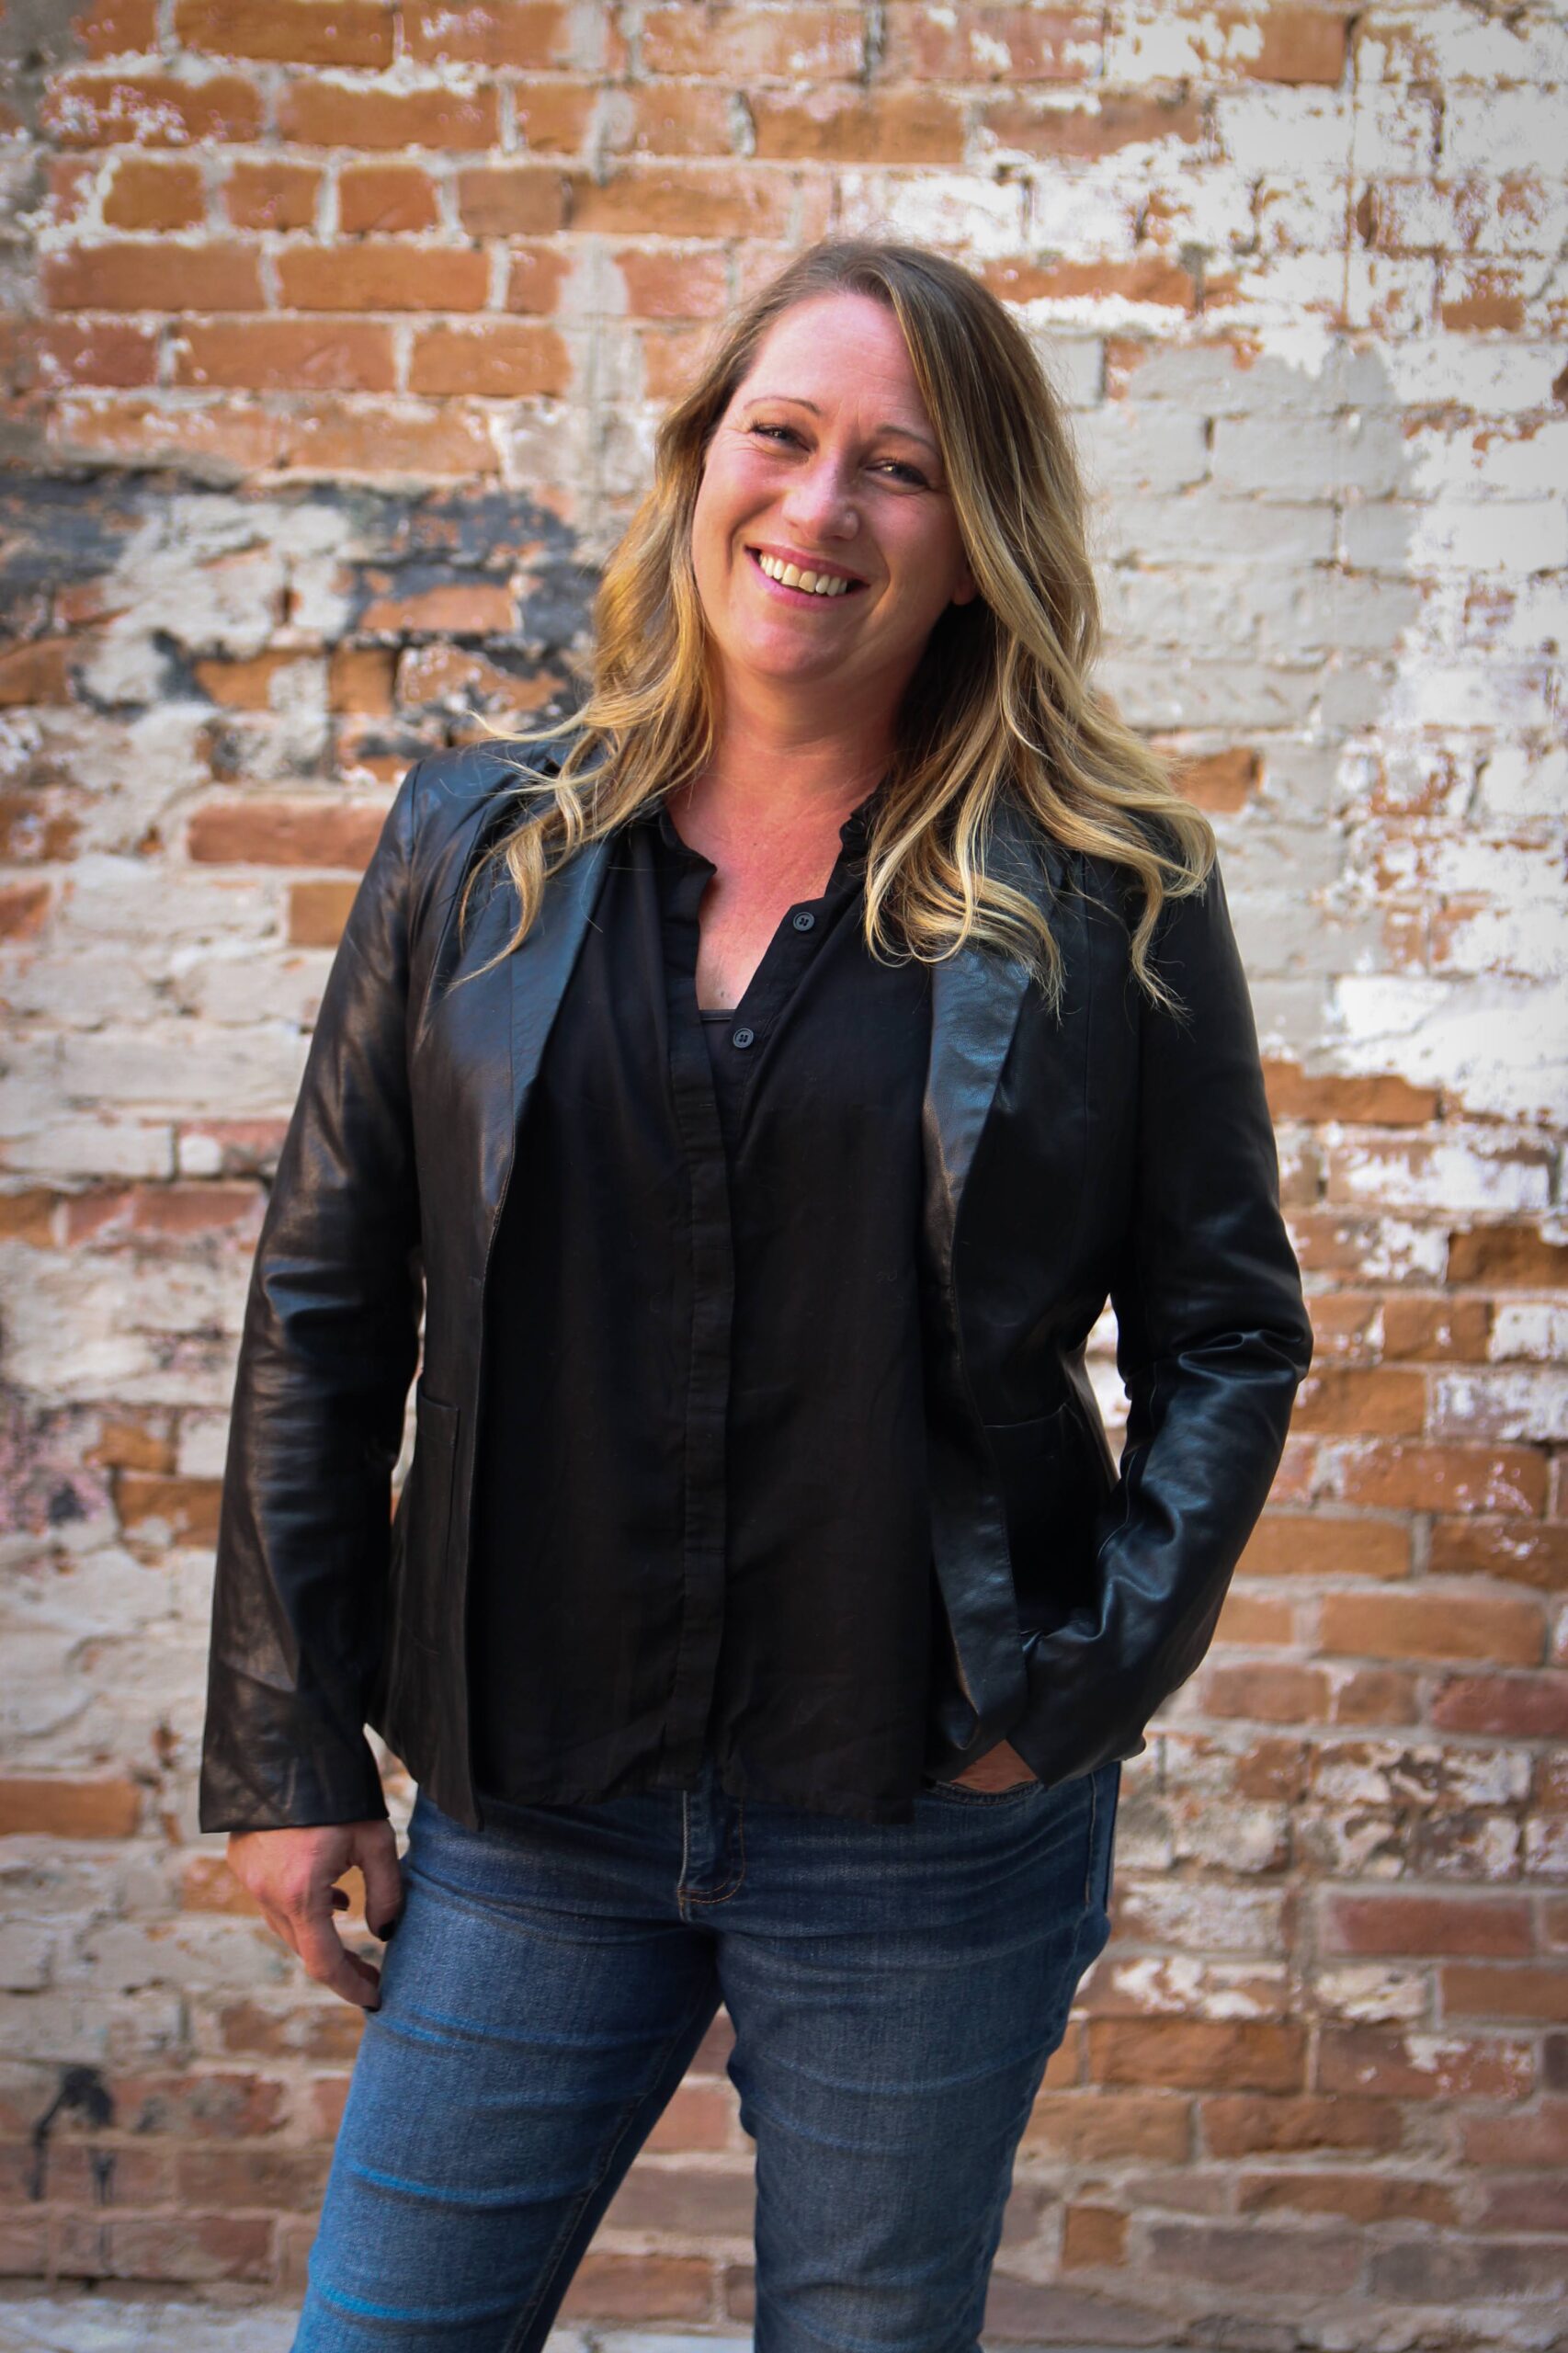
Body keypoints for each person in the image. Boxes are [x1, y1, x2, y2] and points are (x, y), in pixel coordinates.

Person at [199, 236, 1313, 2351]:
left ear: (976, 542)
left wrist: (1066, 1700)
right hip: (533, 1795)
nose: (819, 510)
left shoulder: (1109, 883)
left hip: (921, 1810)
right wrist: (285, 1738)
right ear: (701, 458)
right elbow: (325, 1304)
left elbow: (1228, 1330)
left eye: (897, 470)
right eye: (780, 437)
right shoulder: (472, 845)